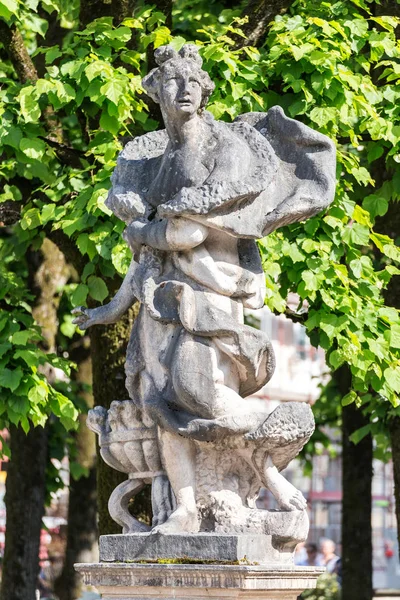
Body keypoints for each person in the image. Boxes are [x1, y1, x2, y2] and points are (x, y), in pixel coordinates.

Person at [73, 44, 336, 533]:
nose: (185, 89)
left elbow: (191, 232)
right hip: (159, 300)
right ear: (156, 91)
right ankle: (186, 508)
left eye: (194, 81)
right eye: (173, 81)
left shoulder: (225, 149)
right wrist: (107, 310)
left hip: (205, 298)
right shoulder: (150, 158)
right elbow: (151, 254)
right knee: (159, 400)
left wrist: (146, 230)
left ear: (206, 90)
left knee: (204, 396)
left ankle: (270, 465)